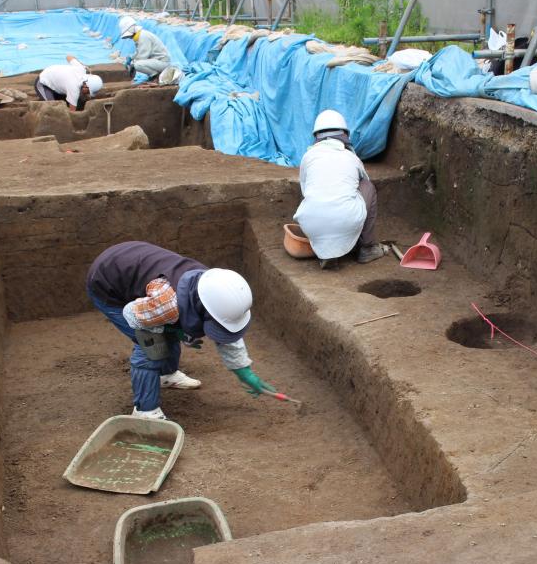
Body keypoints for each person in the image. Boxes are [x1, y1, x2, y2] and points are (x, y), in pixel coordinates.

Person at [87, 241, 279, 420]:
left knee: (168, 326)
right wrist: (171, 331)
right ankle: (145, 412)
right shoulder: (167, 304)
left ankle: (166, 375)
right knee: (153, 347)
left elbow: (225, 323)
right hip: (107, 283)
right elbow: (132, 315)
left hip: (137, 271)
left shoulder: (215, 287)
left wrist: (243, 369)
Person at [293, 110, 385, 269]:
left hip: (311, 226)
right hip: (346, 221)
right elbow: (364, 184)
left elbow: (304, 191)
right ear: (344, 135)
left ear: (316, 136)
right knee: (367, 187)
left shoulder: (308, 157)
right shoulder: (351, 158)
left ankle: (326, 254)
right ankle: (367, 248)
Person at [35, 56, 104, 111]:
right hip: (43, 82)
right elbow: (72, 112)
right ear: (86, 85)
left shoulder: (81, 68)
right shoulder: (74, 88)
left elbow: (69, 56)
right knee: (53, 108)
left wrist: (81, 64)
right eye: (88, 91)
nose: (88, 94)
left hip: (54, 78)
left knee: (76, 101)